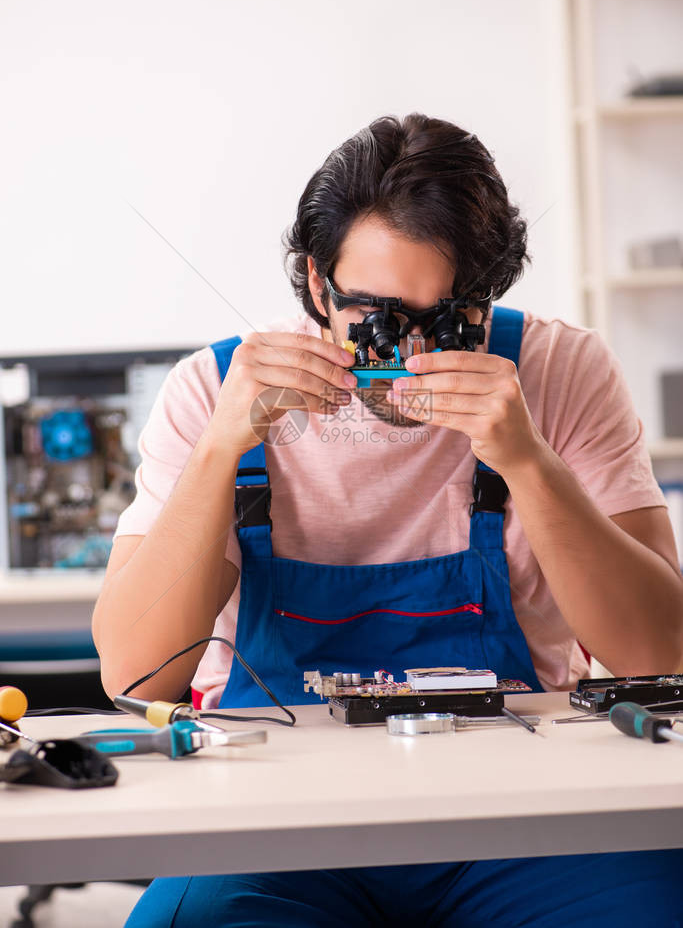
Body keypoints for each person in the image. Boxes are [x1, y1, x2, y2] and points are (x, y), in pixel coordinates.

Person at [93, 114, 683, 926]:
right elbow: (134, 675)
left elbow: (660, 654)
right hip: (276, 821)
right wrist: (220, 451)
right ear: (313, 284)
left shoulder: (559, 369)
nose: (405, 357)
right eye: (375, 318)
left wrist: (527, 461)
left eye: (449, 320)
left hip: (525, 814)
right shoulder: (210, 389)